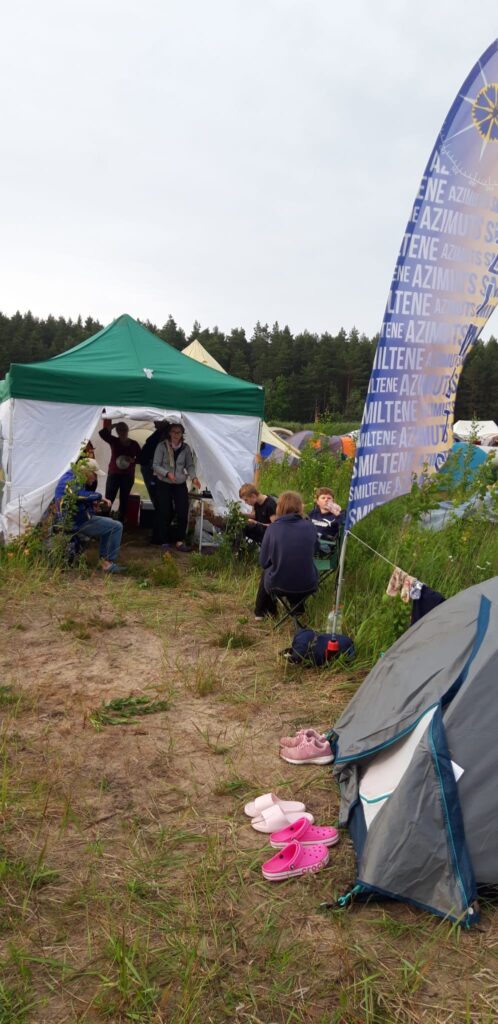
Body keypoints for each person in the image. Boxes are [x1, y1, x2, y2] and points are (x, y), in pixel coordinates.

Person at [254, 490, 318, 620]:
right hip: (308, 584)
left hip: (279, 585)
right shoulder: (310, 526)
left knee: (269, 571)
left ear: (279, 507)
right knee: (298, 568)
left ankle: (263, 611)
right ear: (300, 506)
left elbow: (264, 562)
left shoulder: (273, 528)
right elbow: (316, 550)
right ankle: (297, 609)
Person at [54, 460, 125, 573]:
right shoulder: (69, 480)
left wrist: (92, 507)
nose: (95, 478)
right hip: (75, 522)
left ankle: (105, 561)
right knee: (115, 527)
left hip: (78, 519)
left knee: (112, 524)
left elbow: (79, 500)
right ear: (87, 472)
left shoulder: (76, 477)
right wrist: (98, 496)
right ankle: (106, 564)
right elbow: (76, 494)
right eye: (95, 475)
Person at [152, 422, 201, 551]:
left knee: (182, 510)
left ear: (182, 434)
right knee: (165, 511)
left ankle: (180, 541)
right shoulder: (162, 446)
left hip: (179, 483)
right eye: (173, 432)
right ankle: (164, 541)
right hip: (164, 482)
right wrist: (167, 473)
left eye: (178, 432)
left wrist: (194, 477)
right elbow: (155, 465)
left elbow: (189, 465)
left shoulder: (185, 448)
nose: (176, 434)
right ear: (169, 433)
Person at [99, 419, 141, 523]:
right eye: (120, 430)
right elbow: (102, 433)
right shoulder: (114, 441)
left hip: (128, 476)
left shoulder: (134, 444)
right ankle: (104, 521)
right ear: (117, 432)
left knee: (124, 499)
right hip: (114, 474)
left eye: (124, 429)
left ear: (128, 430)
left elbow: (142, 458)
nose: (123, 432)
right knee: (109, 498)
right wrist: (114, 425)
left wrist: (133, 460)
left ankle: (121, 521)